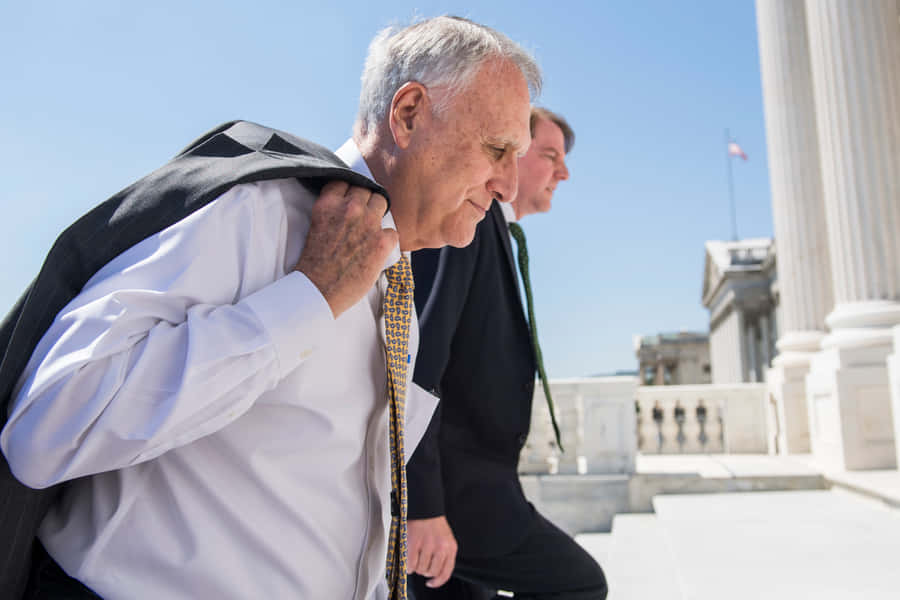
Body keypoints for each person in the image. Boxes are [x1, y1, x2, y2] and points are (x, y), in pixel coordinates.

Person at [0, 16, 539, 600]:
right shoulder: (255, 213)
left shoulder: (395, 276)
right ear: (408, 114)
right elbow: (45, 429)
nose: (508, 184)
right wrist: (307, 299)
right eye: (497, 148)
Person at [407, 108, 608, 599]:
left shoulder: (491, 227)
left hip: (477, 495)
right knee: (579, 586)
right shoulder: (465, 222)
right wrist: (422, 507)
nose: (564, 172)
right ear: (512, 153)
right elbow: (420, 362)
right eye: (550, 156)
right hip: (459, 502)